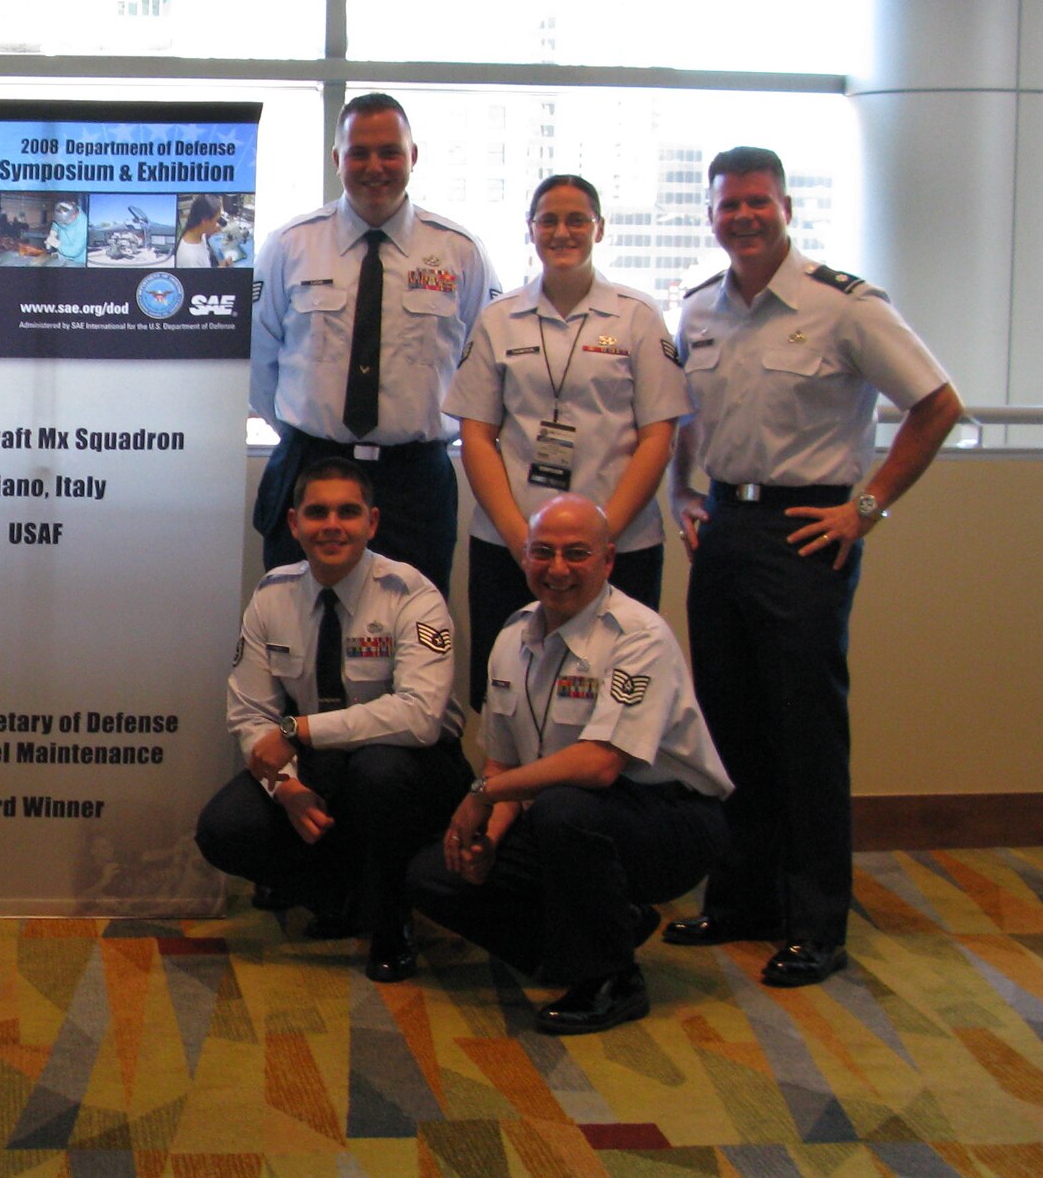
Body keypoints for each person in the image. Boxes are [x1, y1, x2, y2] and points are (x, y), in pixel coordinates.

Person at [662, 146, 962, 988]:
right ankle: (743, 899)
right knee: (730, 725)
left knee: (805, 733)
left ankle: (817, 921)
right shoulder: (698, 312)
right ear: (712, 215)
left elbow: (938, 405)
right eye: (729, 206)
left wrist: (866, 509)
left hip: (807, 531)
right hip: (722, 527)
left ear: (786, 208)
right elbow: (688, 418)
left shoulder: (845, 307)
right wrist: (686, 496)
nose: (744, 218)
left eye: (758, 203)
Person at [406, 495, 732, 1033]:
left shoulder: (639, 636)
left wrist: (484, 795)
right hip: (570, 817)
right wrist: (488, 836)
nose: (557, 569)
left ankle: (612, 980)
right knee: (435, 876)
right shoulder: (512, 637)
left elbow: (600, 765)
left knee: (566, 808)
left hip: (671, 821)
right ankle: (598, 932)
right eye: (543, 552)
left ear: (607, 561)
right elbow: (504, 760)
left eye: (576, 553)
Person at [196, 456, 470, 982]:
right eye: (318, 513)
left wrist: (297, 732)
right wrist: (288, 790)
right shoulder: (273, 596)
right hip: (320, 762)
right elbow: (251, 714)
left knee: (378, 774)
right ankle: (346, 898)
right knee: (224, 830)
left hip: (417, 765)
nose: (332, 526)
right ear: (295, 524)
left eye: (348, 512)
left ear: (372, 522)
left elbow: (419, 718)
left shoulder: (412, 595)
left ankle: (392, 923)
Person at [444, 175, 689, 709]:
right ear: (530, 230)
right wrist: (520, 540)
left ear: (599, 228)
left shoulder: (638, 316)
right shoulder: (498, 319)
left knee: (616, 694)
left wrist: (601, 540)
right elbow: (476, 435)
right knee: (508, 691)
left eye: (577, 219)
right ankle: (507, 790)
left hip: (619, 545)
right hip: (511, 546)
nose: (562, 231)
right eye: (548, 220)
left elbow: (658, 437)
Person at [251, 93, 502, 594]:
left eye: (389, 151)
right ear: (337, 158)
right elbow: (259, 362)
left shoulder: (460, 253)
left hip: (415, 481)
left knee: (416, 630)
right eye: (359, 152)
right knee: (296, 622)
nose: (374, 166)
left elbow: (486, 371)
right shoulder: (290, 246)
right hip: (311, 468)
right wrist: (309, 435)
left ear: (413, 156)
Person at [175, 195, 223, 268]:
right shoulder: (191, 259)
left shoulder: (196, 231)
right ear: (204, 221)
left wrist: (210, 233)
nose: (218, 225)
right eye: (216, 221)